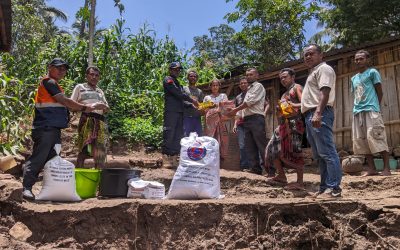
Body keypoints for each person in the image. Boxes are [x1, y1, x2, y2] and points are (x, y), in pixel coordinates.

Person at [22, 58, 100, 200]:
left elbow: (63, 104)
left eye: (64, 69)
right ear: (50, 67)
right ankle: (26, 188)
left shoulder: (55, 85)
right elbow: (64, 100)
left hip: (54, 129)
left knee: (52, 159)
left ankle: (53, 190)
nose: (61, 71)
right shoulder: (49, 82)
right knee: (39, 158)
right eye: (58, 68)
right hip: (45, 127)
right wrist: (83, 107)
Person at [301, 44, 342, 198]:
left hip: (320, 112)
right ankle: (325, 187)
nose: (308, 57)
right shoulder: (313, 72)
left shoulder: (324, 69)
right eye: (305, 55)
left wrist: (318, 113)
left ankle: (334, 189)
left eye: (311, 53)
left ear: (321, 55)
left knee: (327, 152)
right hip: (310, 114)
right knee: (319, 154)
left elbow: (325, 92)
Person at [351, 50, 391, 176]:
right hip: (358, 112)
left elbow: (380, 92)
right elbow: (356, 95)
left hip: (371, 110)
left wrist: (376, 108)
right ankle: (372, 169)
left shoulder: (372, 72)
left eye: (361, 58)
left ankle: (386, 169)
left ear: (367, 60)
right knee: (363, 141)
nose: (358, 61)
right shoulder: (353, 78)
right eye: (356, 59)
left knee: (377, 137)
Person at [265, 68, 305, 190]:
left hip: (295, 123)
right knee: (273, 149)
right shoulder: (283, 94)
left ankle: (300, 182)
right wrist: (279, 111)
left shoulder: (296, 87)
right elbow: (281, 114)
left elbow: (305, 103)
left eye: (285, 77)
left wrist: (293, 105)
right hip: (283, 125)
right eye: (281, 78)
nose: (282, 80)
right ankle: (281, 176)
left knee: (295, 150)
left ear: (292, 77)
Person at [227, 68, 271, 176]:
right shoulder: (249, 89)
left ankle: (270, 170)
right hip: (246, 120)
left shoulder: (258, 86)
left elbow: (248, 103)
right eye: (247, 75)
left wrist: (235, 110)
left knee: (261, 145)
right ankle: (255, 169)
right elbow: (243, 109)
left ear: (257, 76)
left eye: (251, 74)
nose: (248, 76)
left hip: (256, 118)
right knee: (250, 146)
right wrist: (236, 117)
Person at [71, 66, 110, 169]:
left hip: (100, 121)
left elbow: (107, 108)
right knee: (83, 150)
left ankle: (98, 181)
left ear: (99, 78)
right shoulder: (80, 87)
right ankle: (79, 177)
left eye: (97, 75)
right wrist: (89, 107)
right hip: (86, 119)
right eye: (91, 74)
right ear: (86, 76)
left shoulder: (100, 91)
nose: (94, 77)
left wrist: (104, 107)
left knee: (100, 153)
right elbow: (71, 105)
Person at [162, 62, 198, 168]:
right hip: (171, 112)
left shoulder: (178, 82)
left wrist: (192, 105)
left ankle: (174, 159)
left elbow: (182, 100)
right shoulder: (168, 80)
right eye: (175, 69)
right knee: (169, 133)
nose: (177, 71)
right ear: (170, 70)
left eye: (178, 70)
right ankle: (166, 159)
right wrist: (192, 100)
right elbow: (178, 93)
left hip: (179, 113)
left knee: (178, 136)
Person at [203, 79, 231, 158]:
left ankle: (221, 158)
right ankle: (210, 158)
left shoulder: (223, 96)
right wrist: (215, 107)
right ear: (210, 87)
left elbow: (226, 107)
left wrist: (215, 106)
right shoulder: (207, 97)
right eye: (213, 85)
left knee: (222, 139)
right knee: (210, 138)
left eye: (216, 85)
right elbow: (204, 109)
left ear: (219, 86)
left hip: (221, 121)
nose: (215, 87)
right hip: (210, 123)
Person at [233, 77, 250, 170]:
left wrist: (263, 113)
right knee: (242, 144)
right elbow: (236, 112)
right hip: (240, 124)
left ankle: (258, 165)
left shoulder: (252, 94)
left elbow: (266, 104)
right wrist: (235, 124)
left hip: (251, 122)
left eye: (245, 83)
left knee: (252, 143)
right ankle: (244, 165)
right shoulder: (238, 97)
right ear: (239, 86)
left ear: (248, 84)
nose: (243, 84)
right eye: (241, 83)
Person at [183, 70, 205, 136]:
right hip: (186, 118)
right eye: (191, 76)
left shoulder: (199, 91)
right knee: (186, 138)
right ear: (188, 77)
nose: (193, 78)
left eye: (195, 76)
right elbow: (181, 101)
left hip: (197, 118)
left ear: (197, 78)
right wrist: (191, 104)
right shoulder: (184, 88)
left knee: (198, 138)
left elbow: (201, 104)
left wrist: (206, 107)